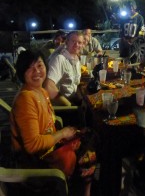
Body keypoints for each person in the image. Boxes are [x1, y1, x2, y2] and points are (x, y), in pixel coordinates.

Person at [10, 49, 96, 196]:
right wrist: (62, 133)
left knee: (90, 136)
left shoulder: (40, 91)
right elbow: (32, 146)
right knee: (87, 150)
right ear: (22, 73)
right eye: (30, 68)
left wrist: (64, 135)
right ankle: (78, 188)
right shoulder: (26, 99)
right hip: (37, 162)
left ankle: (83, 188)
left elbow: (47, 126)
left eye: (39, 65)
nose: (36, 71)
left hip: (48, 148)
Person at [44, 31, 84, 106]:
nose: (76, 45)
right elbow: (48, 86)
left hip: (73, 99)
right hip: (62, 106)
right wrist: (69, 105)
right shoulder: (60, 59)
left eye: (79, 42)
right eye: (73, 41)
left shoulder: (76, 59)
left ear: (82, 45)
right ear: (67, 42)